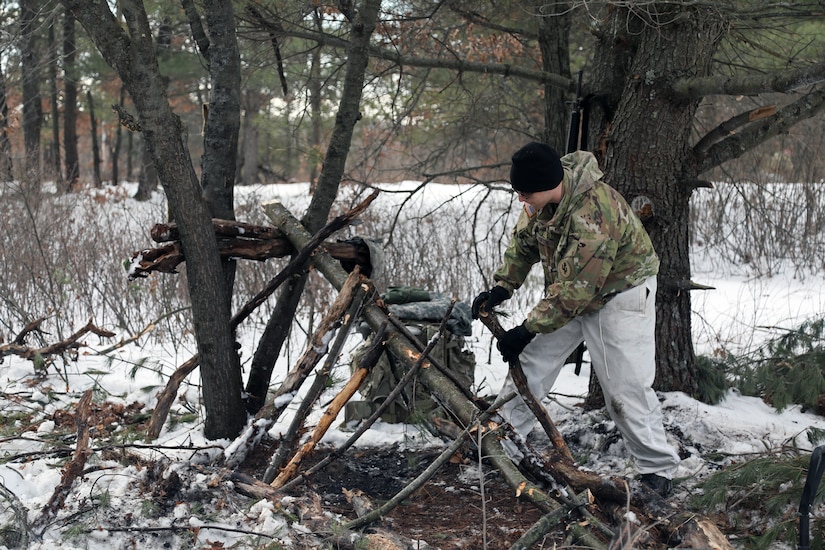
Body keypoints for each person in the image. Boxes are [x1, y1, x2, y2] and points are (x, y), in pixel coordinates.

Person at [472, 141, 681, 497]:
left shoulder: (593, 215)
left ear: (546, 185)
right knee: (532, 362)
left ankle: (657, 471)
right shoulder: (540, 200)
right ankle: (499, 444)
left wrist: (524, 329)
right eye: (518, 192)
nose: (521, 200)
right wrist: (503, 287)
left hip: (620, 293)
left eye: (525, 193)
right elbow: (525, 243)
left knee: (623, 387)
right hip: (572, 291)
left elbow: (576, 292)